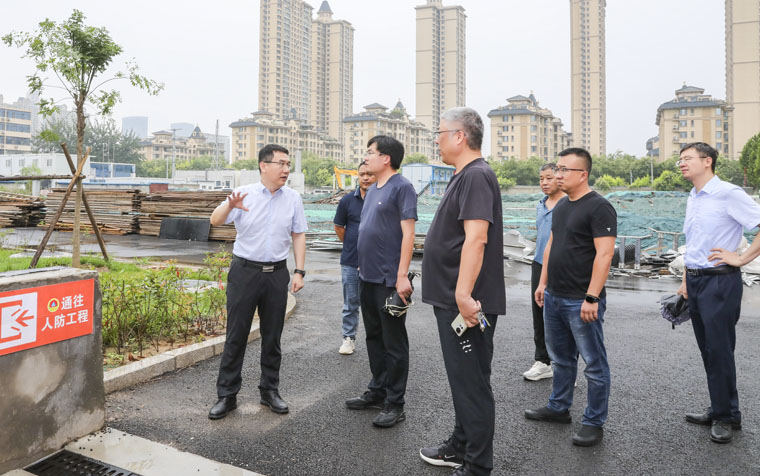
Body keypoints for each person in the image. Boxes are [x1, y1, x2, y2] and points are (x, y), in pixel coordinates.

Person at [419, 107, 505, 476]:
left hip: (465, 303)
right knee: (463, 380)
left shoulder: (476, 175)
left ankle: (477, 465)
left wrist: (463, 295)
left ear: (459, 136)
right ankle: (460, 445)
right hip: (454, 300)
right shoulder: (463, 176)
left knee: (471, 385)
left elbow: (476, 238)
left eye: (439, 133)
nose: (436, 140)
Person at [207, 144, 307, 420]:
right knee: (236, 335)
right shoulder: (244, 194)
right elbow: (215, 221)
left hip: (276, 274)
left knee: (272, 336)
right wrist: (230, 205)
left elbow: (298, 234)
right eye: (281, 163)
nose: (286, 169)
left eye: (288, 164)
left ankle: (269, 391)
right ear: (264, 165)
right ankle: (227, 396)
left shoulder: (293, 198)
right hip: (245, 272)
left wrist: (299, 271)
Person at [527, 147, 616, 447]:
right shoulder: (563, 205)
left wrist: (592, 297)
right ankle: (558, 407)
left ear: (583, 174)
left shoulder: (599, 207)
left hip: (581, 299)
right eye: (558, 169)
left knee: (594, 363)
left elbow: (604, 255)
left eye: (565, 170)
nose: (558, 174)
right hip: (554, 295)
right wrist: (543, 283)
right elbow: (551, 245)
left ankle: (594, 422)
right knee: (561, 359)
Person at [676, 142, 760, 444]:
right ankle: (723, 409)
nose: (682, 163)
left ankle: (726, 417)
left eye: (688, 158)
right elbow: (695, 242)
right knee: (708, 350)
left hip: (720, 282)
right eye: (680, 159)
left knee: (719, 349)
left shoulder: (728, 193)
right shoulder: (694, 196)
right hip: (696, 280)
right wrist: (685, 281)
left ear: (707, 161)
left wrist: (741, 258)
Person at [345, 135, 417, 428]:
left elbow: (409, 234)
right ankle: (378, 390)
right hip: (367, 276)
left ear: (386, 158)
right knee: (374, 337)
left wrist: (401, 276)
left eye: (370, 152)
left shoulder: (402, 187)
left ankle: (395, 403)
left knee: (394, 342)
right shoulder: (373, 188)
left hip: (389, 279)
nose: (366, 157)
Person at [523, 163, 565, 381]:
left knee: (563, 316)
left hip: (562, 266)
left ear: (559, 177)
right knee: (538, 314)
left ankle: (566, 366)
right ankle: (543, 361)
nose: (544, 183)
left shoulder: (568, 204)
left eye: (549, 178)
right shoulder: (541, 204)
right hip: (539, 263)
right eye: (541, 179)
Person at [333, 161, 376, 355]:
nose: (365, 178)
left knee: (375, 303)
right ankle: (348, 338)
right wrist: (353, 244)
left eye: (369, 174)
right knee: (351, 302)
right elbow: (339, 227)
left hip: (376, 262)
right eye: (362, 174)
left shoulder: (382, 199)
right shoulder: (347, 201)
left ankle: (377, 341)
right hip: (351, 260)